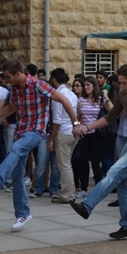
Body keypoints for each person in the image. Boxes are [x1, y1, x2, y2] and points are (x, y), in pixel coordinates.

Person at [0, 58, 80, 231]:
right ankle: (23, 214)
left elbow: (63, 100)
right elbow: (11, 108)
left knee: (16, 148)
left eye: (8, 76)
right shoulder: (13, 89)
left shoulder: (38, 85)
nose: (6, 80)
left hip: (37, 131)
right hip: (21, 130)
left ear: (18, 73)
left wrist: (76, 124)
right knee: (18, 175)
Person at [70, 63, 127, 239]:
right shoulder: (123, 95)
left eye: (124, 83)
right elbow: (109, 117)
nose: (121, 86)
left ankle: (87, 205)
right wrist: (86, 127)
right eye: (119, 82)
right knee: (123, 182)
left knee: (115, 171)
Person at [47, 68, 79, 204]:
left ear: (54, 79)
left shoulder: (57, 96)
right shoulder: (72, 94)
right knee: (67, 164)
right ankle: (70, 193)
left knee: (64, 166)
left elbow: (57, 120)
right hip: (73, 132)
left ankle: (67, 195)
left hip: (64, 133)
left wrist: (51, 140)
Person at [74, 76, 108, 198]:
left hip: (97, 134)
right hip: (84, 134)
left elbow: (112, 112)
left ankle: (98, 188)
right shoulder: (80, 100)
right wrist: (77, 127)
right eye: (85, 85)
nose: (86, 87)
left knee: (95, 161)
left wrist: (106, 97)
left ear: (94, 86)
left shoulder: (100, 100)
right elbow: (77, 118)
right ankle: (83, 188)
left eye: (88, 85)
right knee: (83, 161)